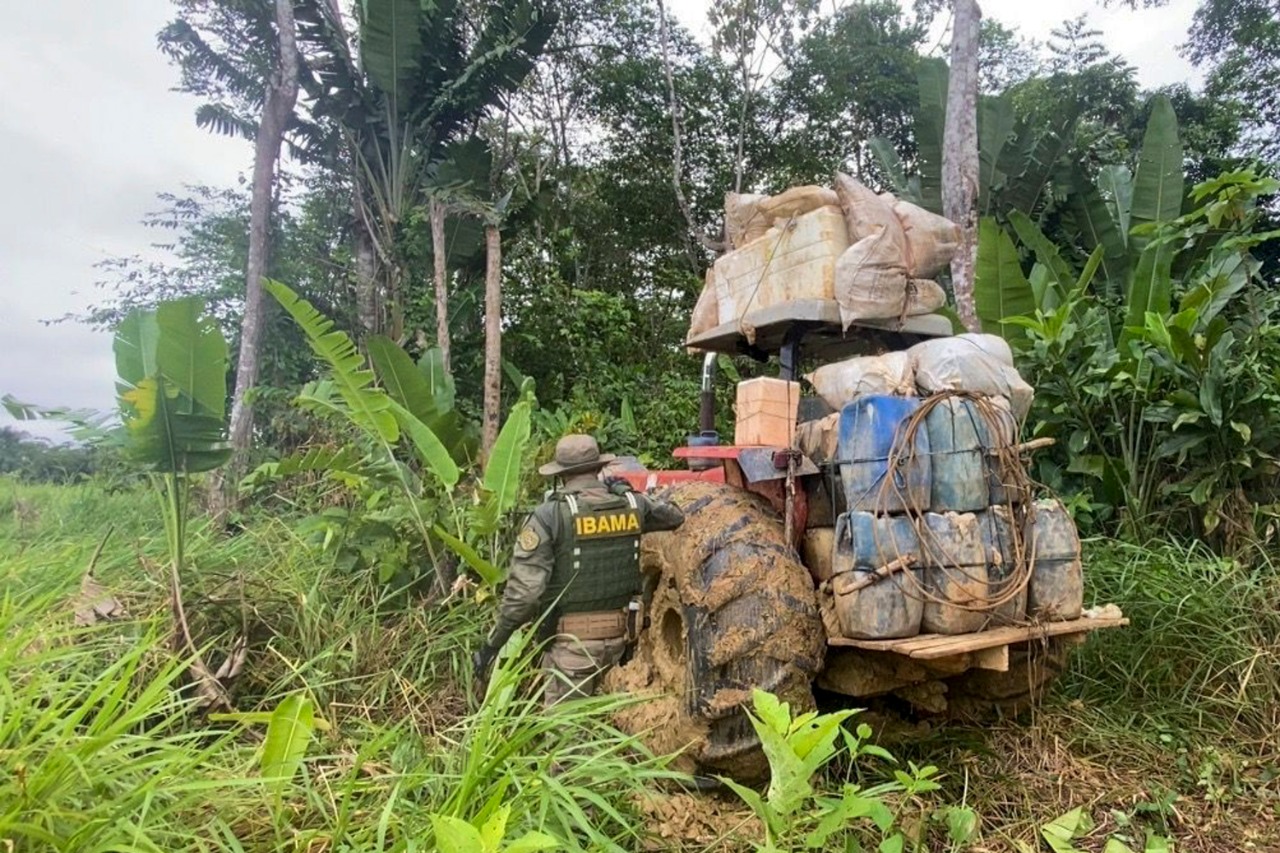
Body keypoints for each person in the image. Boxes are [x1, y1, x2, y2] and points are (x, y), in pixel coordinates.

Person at [472, 434, 684, 705]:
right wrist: (628, 492)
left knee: (566, 729)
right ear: (598, 468)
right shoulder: (633, 505)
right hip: (621, 643)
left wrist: (493, 645)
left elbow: (524, 596)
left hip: (572, 650)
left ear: (561, 475)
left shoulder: (550, 516)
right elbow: (675, 516)